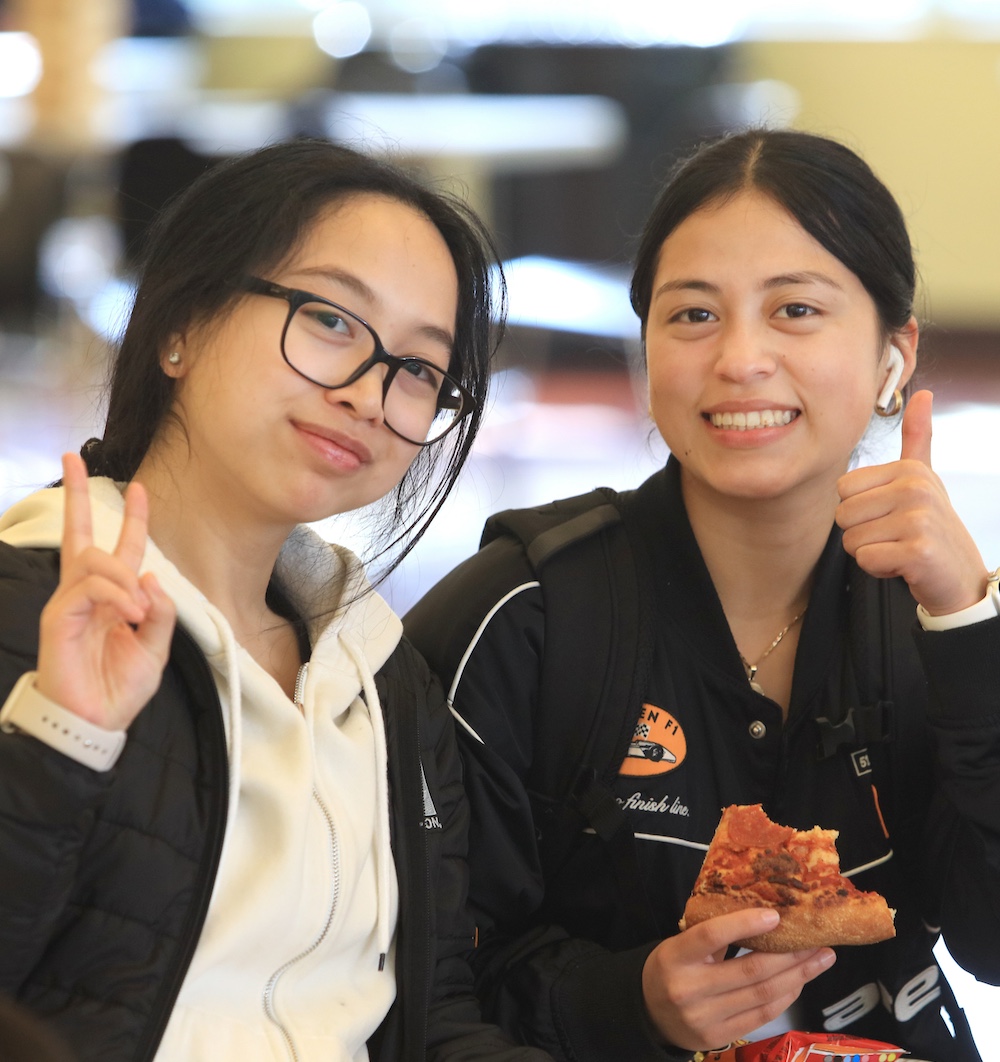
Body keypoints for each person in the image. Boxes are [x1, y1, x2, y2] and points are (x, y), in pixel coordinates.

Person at [405, 128, 1000, 1062]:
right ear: (645, 351)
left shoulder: (938, 618)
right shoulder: (519, 620)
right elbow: (417, 989)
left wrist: (969, 628)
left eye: (796, 309)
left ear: (896, 356)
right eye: (692, 316)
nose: (740, 359)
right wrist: (627, 1001)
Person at [0, 138, 553, 1062]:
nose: (373, 395)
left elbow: (430, 1017)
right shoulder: (37, 609)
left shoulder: (383, 675)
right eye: (332, 320)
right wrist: (64, 739)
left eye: (419, 370)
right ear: (179, 323)